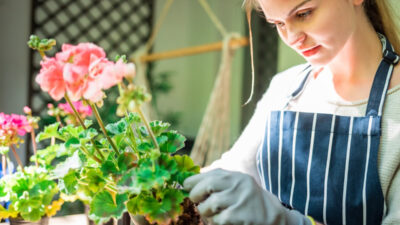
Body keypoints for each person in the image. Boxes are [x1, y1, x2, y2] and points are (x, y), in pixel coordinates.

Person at [183, 0, 400, 224]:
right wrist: (168, 192)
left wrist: (283, 221)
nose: (292, 38)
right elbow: (232, 171)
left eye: (304, 14)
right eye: (278, 23)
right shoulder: (285, 87)